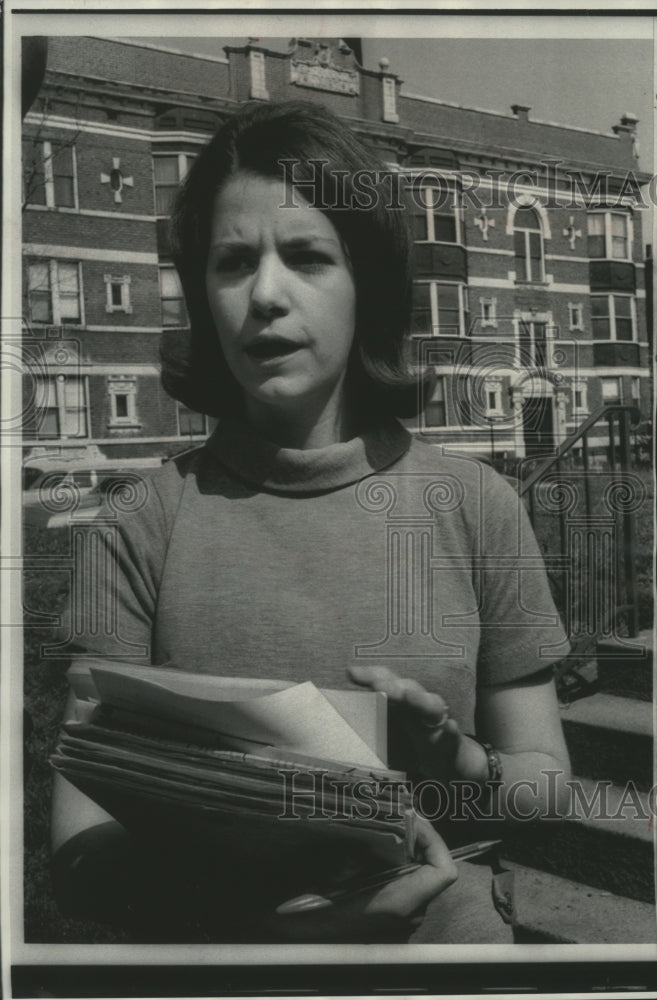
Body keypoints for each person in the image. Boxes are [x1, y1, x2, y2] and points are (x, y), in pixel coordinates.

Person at [50, 100, 571, 945]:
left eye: (304, 256)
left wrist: (455, 761)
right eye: (230, 262)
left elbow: (546, 787)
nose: (263, 294)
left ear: (367, 282)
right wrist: (264, 919)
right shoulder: (141, 522)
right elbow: (79, 853)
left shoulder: (477, 506)